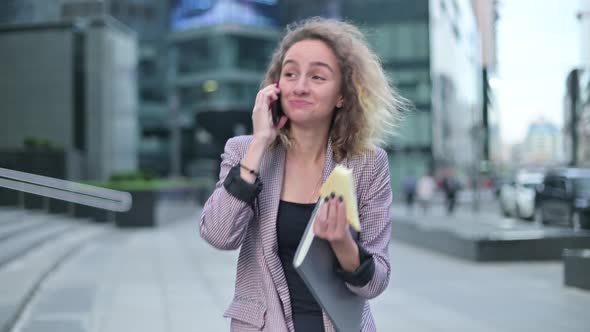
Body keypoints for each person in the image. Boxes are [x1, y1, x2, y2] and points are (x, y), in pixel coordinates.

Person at [199, 17, 404, 332]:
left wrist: (343, 244)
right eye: (290, 73)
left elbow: (375, 282)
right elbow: (218, 234)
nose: (300, 86)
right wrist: (259, 145)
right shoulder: (245, 151)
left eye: (317, 76)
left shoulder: (368, 163)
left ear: (343, 95)